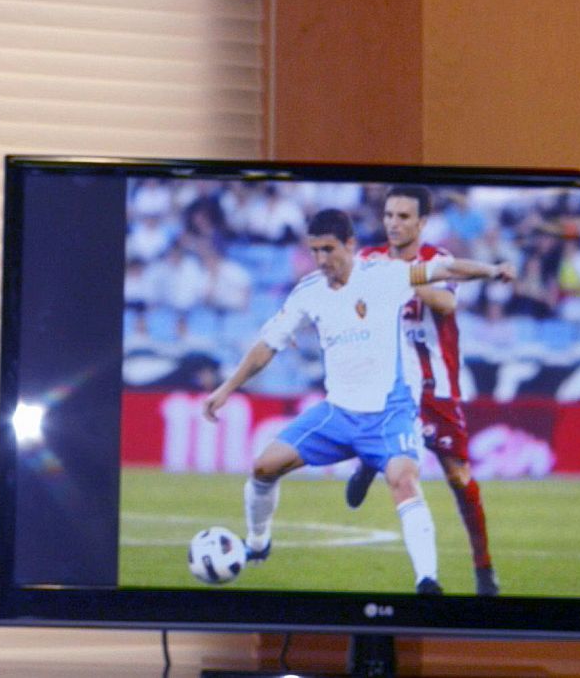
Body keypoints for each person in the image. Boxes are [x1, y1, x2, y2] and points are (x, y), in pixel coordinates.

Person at [201, 208, 513, 594]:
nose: (320, 260)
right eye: (314, 251)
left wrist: (492, 269)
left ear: (350, 244)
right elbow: (268, 345)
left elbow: (445, 270)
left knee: (403, 479)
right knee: (264, 466)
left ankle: (427, 582)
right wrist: (226, 389)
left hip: (389, 413)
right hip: (338, 414)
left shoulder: (385, 275)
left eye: (328, 249)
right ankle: (258, 542)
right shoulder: (308, 291)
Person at [348, 186, 502, 596]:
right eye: (389, 216)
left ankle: (483, 566)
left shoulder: (438, 262)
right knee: (404, 471)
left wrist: (405, 280)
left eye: (403, 217)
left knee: (458, 476)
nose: (393, 224)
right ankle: (372, 458)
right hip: (388, 386)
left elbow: (446, 305)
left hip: (436, 387)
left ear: (421, 223)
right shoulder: (367, 259)